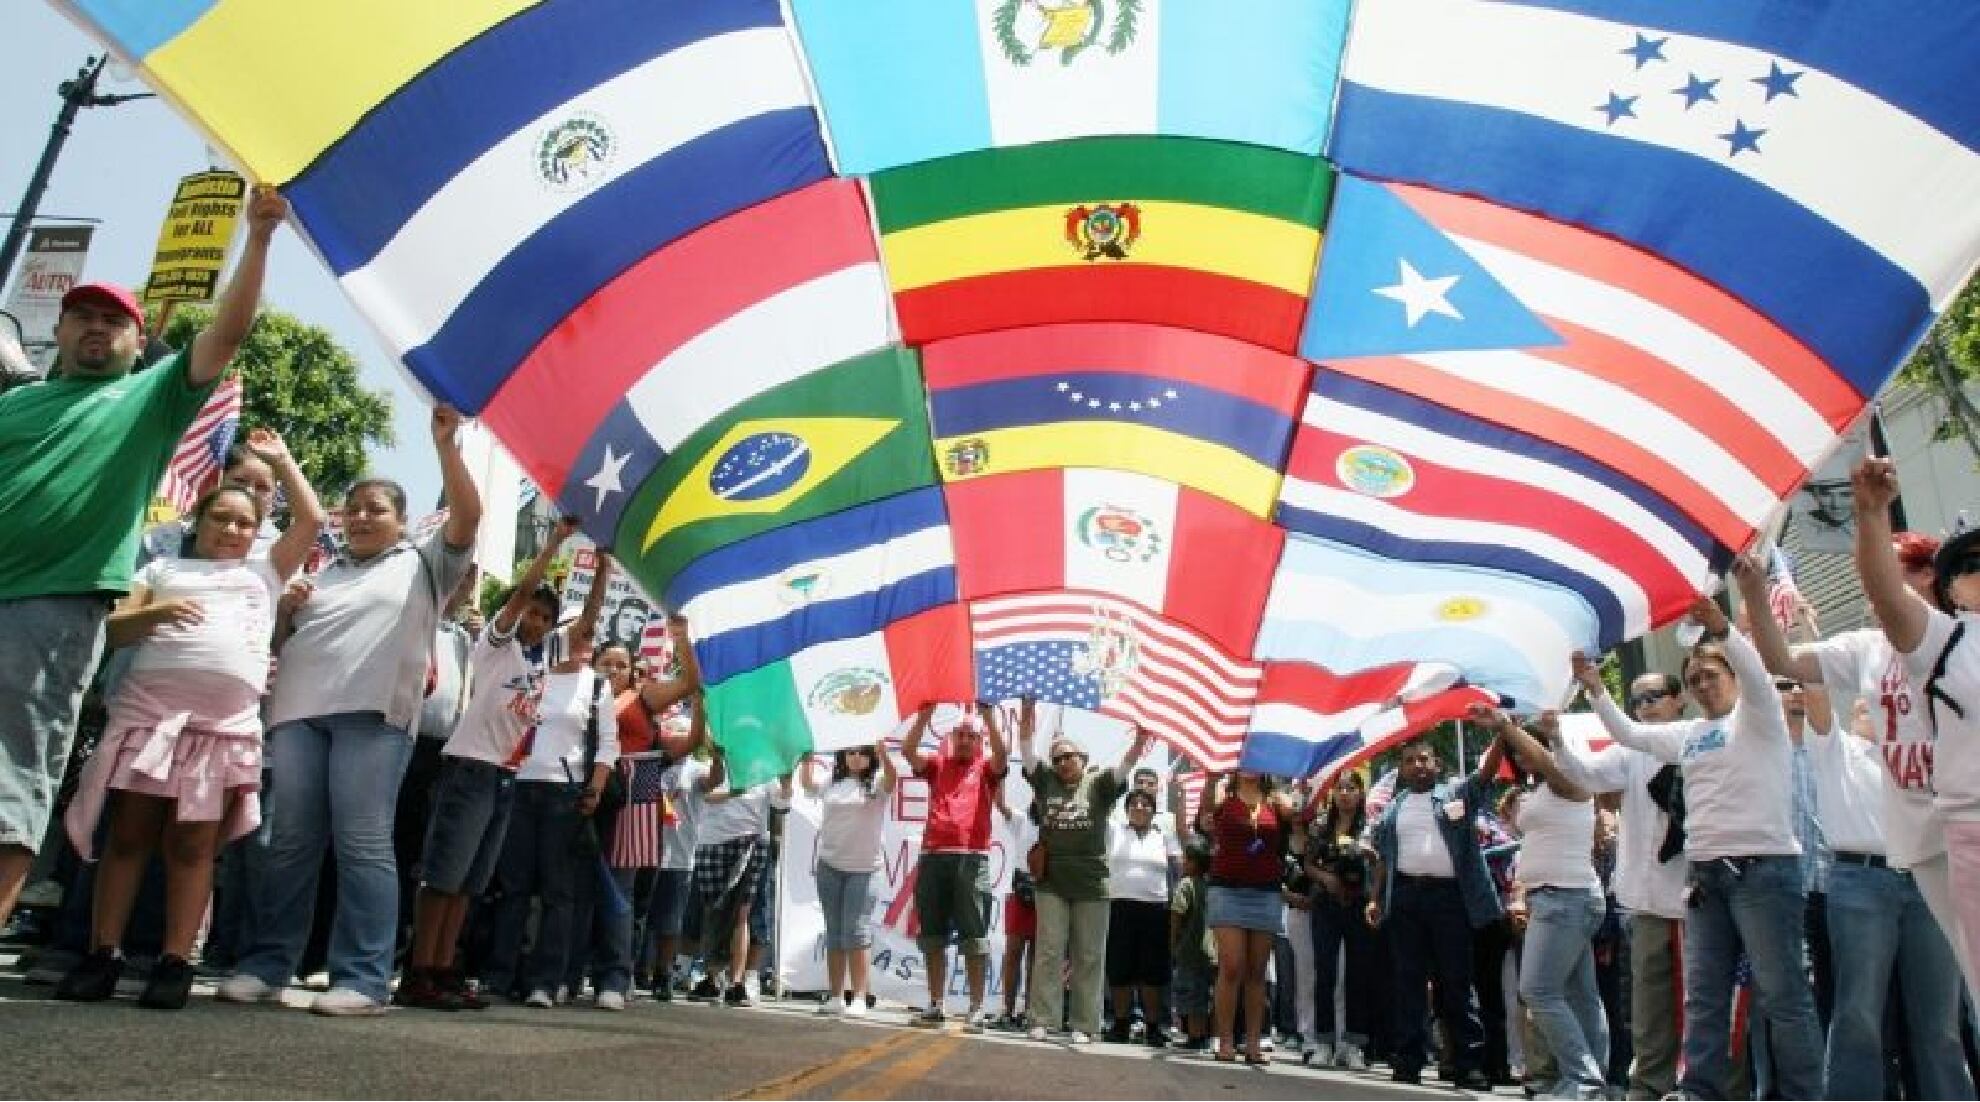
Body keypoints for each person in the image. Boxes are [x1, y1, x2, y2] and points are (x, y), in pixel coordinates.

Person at [0, 188, 287, 929]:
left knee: (7, 789)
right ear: (57, 331)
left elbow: (224, 335)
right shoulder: (13, 405)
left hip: (50, 607)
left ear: (135, 343)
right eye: (84, 317)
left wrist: (256, 239)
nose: (97, 329)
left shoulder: (148, 400)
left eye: (114, 321)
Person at [218, 404, 482, 1016]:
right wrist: (288, 611)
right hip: (298, 716)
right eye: (354, 508)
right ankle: (266, 964)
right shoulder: (321, 573)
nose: (361, 518)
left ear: (403, 521)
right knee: (289, 843)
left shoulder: (426, 564)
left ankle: (362, 979)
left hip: (373, 722)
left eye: (377, 509)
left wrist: (446, 446)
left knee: (362, 843)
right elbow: (278, 644)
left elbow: (469, 515)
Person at [52, 432, 320, 1009]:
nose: (232, 530)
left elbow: (312, 519)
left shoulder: (265, 573)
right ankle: (103, 954)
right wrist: (158, 612)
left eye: (245, 523)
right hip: (149, 720)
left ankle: (176, 960)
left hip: (219, 732)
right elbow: (114, 631)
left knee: (193, 847)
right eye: (221, 518)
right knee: (128, 838)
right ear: (197, 521)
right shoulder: (163, 567)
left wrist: (282, 461)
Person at [1575, 591, 1826, 1100]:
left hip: (1764, 873)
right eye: (1693, 679)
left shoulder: (1760, 718)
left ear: (1733, 678)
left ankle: (1804, 1095)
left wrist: (1722, 630)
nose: (1702, 684)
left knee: (1784, 996)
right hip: (1706, 878)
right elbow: (1628, 734)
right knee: (1704, 997)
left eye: (1711, 675)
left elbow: (1758, 675)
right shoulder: (1688, 734)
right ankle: (1700, 1093)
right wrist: (1596, 689)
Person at [396, 521, 582, 1010]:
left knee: (470, 883)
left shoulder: (543, 664)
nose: (535, 621)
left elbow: (586, 625)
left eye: (546, 617)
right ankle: (418, 970)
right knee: (443, 875)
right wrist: (554, 545)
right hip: (469, 767)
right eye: (532, 613)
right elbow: (521, 594)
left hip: (504, 775)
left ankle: (443, 967)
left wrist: (601, 567)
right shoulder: (498, 648)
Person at [1852, 456, 1980, 991]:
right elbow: (1888, 596)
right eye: (1967, 567)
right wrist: (1871, 513)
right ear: (1949, 589)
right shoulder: (1947, 643)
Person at [480, 565, 619, 1009]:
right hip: (518, 786)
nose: (582, 641)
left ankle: (546, 980)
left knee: (558, 892)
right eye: (574, 631)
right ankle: (499, 977)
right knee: (514, 887)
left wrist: (602, 567)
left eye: (589, 635)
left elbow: (607, 749)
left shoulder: (596, 687)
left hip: (564, 793)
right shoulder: (533, 670)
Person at [1551, 676, 1689, 1101]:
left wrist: (1595, 687)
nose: (1645, 705)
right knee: (1648, 1009)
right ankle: (1648, 1087)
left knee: (1698, 1005)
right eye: (1638, 699)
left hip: (1693, 898)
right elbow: (1585, 774)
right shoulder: (1630, 752)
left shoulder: (1696, 739)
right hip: (1644, 901)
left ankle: (1696, 1086)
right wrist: (1555, 737)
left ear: (1679, 701)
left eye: (1655, 697)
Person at [1364, 739, 1506, 1089]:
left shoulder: (1456, 794)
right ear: (1402, 769)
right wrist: (1375, 898)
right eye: (1409, 761)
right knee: (1409, 981)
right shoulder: (1394, 807)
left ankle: (1468, 1063)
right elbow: (1384, 855)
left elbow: (1485, 775)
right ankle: (1409, 1060)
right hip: (1407, 897)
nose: (1417, 765)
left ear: (1438, 764)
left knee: (1457, 982)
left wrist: (1502, 734)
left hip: (1450, 898)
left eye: (1423, 759)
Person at [1484, 709, 1610, 1102]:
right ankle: (1592, 1081)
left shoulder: (1572, 778)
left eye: (1529, 746)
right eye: (1516, 752)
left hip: (1566, 898)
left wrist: (1508, 726)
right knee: (1580, 995)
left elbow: (1542, 759)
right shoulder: (1538, 789)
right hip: (1554, 898)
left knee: (1537, 989)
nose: (1523, 756)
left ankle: (1583, 1080)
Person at [1018, 708, 1147, 1045]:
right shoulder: (1045, 780)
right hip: (1052, 881)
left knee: (1088, 955)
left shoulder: (1100, 783)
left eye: (1068, 757)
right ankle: (1042, 1019)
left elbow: (1125, 766)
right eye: (1057, 758)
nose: (1062, 763)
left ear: (1083, 758)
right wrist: (1028, 713)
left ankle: (1085, 1024)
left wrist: (1141, 739)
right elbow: (1027, 750)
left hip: (1092, 882)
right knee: (1049, 949)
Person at [902, 702, 1009, 1030]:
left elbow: (1003, 756)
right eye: (960, 735)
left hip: (970, 858)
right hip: (934, 857)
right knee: (932, 934)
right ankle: (935, 1005)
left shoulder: (987, 769)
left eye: (971, 736)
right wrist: (924, 713)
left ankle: (976, 1008)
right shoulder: (938, 764)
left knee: (973, 935)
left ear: (979, 742)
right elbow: (908, 750)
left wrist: (989, 717)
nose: (965, 740)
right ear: (951, 738)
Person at [1200, 768, 1297, 1065]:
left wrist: (1291, 799)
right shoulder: (1222, 797)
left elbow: (1297, 825)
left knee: (1257, 972)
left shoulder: (1276, 802)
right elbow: (1204, 818)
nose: (1250, 766)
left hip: (1265, 892)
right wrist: (1211, 778)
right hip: (1227, 889)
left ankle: (1254, 1042)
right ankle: (1225, 1040)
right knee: (1231, 966)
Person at [799, 740, 897, 1016]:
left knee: (857, 931)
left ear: (870, 757)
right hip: (830, 864)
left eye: (862, 754)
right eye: (850, 752)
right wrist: (806, 758)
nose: (855, 758)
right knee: (834, 931)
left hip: (864, 869)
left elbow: (893, 779)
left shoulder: (876, 782)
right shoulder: (831, 779)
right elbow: (807, 785)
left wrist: (884, 756)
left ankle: (860, 996)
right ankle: (835, 996)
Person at [689, 769, 791, 1007]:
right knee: (714, 910)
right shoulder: (718, 765)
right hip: (713, 842)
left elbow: (781, 804)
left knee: (742, 912)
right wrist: (734, 791)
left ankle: (737, 983)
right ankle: (712, 977)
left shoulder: (765, 770)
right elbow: (707, 794)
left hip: (751, 842)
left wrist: (786, 780)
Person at [1304, 770, 1376, 1071]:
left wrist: (1369, 856)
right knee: (1326, 972)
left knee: (1358, 975)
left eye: (1351, 788)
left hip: (1359, 904)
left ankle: (1353, 1044)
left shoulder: (1371, 825)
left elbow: (1381, 862)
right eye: (1340, 788)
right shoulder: (1321, 826)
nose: (1345, 793)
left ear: (1361, 793)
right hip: (1325, 905)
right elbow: (1306, 864)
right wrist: (1324, 877)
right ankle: (1323, 1041)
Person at [1106, 787, 1181, 1046]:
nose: (1139, 807)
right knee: (1120, 968)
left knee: (1152, 971)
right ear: (1126, 810)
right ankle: (1121, 1024)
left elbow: (1177, 870)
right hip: (1119, 907)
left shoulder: (1165, 836)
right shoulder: (1114, 831)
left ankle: (1152, 1027)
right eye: (1134, 804)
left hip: (1156, 909)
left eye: (1145, 804)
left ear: (1154, 811)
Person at [1169, 841, 1217, 1053]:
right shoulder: (1210, 887)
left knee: (1189, 992)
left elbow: (1177, 914)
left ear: (1195, 864)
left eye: (1186, 859)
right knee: (1203, 993)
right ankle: (1202, 1034)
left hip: (1189, 950)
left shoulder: (1186, 884)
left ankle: (1195, 1036)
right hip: (1209, 950)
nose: (1182, 862)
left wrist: (1173, 942)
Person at [998, 796, 1039, 1029]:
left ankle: (1029, 1011)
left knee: (1036, 956)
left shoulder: (1058, 826)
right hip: (1019, 890)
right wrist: (1001, 767)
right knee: (1013, 951)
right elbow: (1000, 803)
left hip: (1046, 891)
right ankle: (1007, 1009)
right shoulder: (1022, 819)